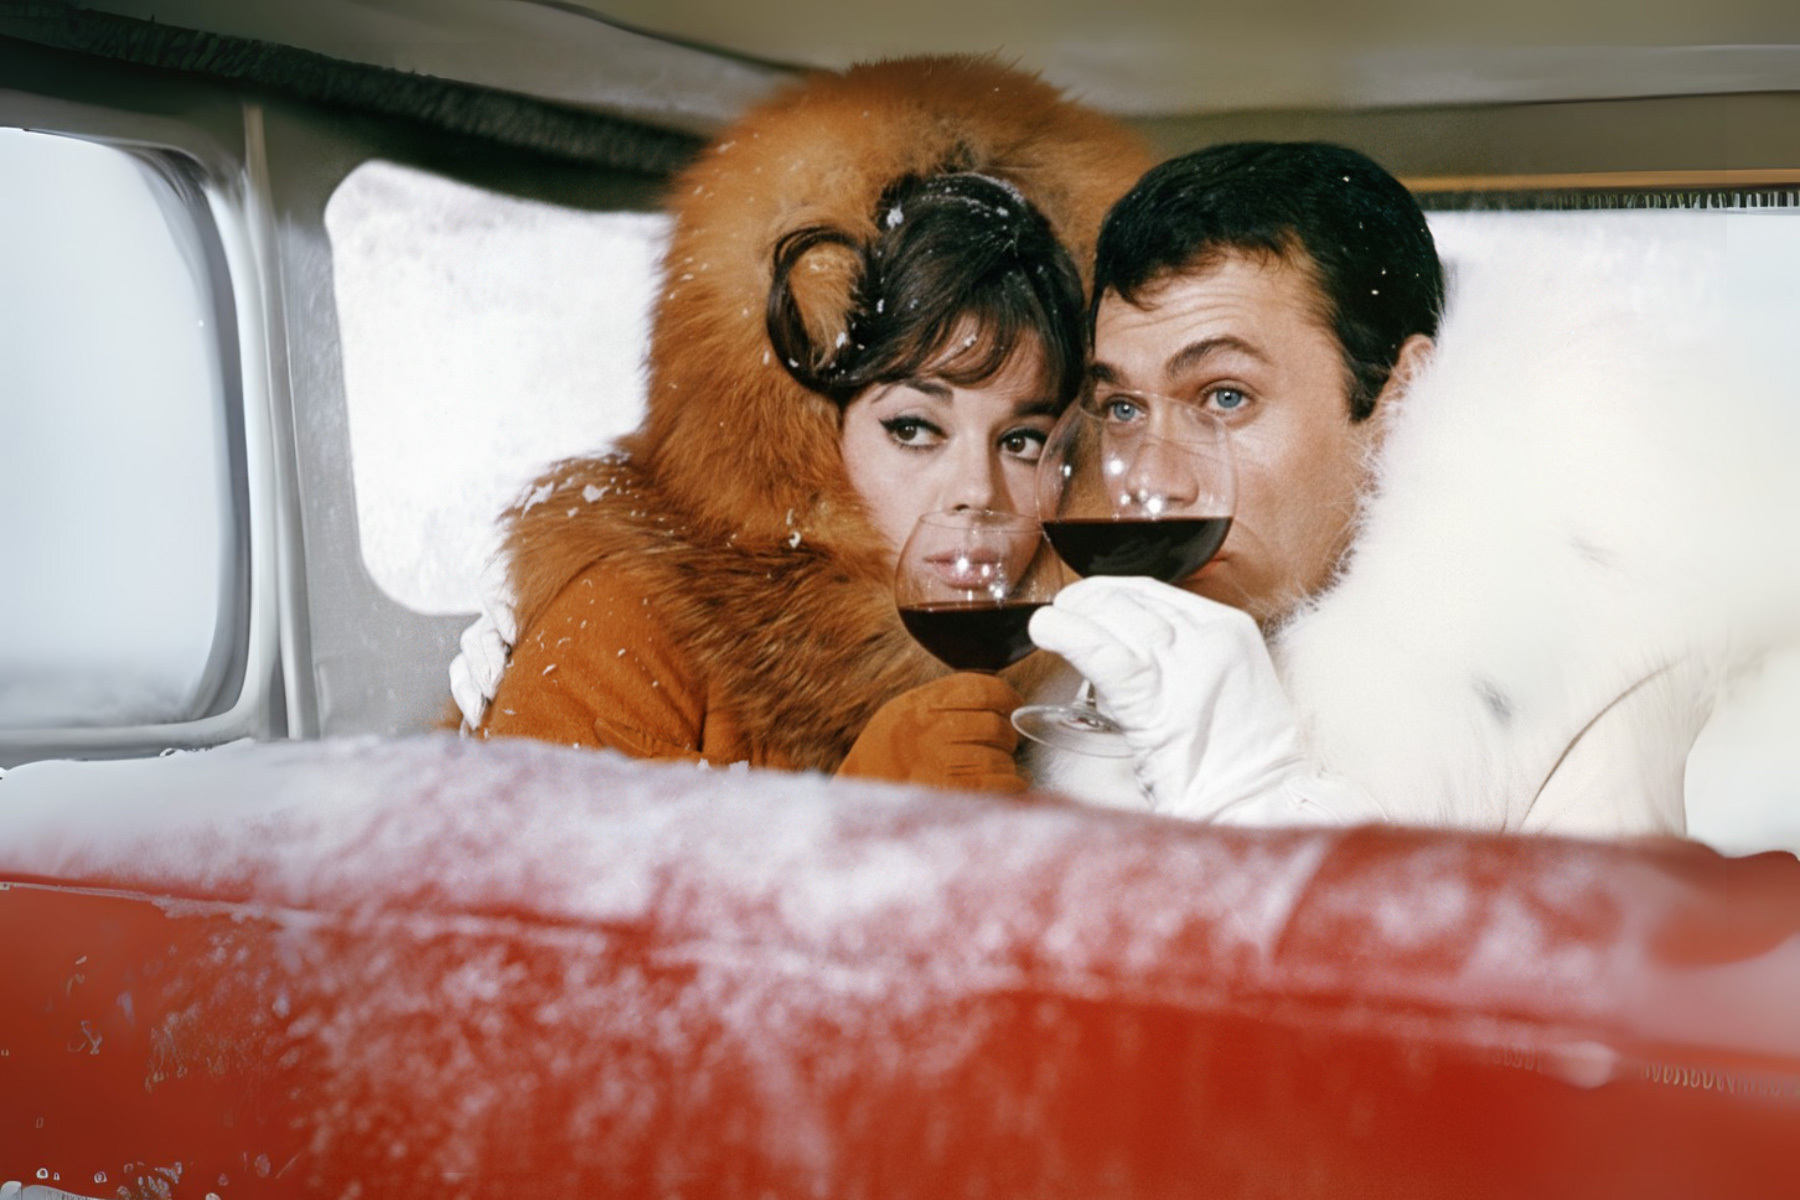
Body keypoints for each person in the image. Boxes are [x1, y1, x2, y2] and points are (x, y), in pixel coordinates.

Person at [453, 57, 1150, 791]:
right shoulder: (630, 600)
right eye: (914, 428)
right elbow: (524, 880)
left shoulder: (1097, 652)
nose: (978, 492)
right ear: (813, 433)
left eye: (1021, 440)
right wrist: (854, 810)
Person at [1028, 141, 1736, 837]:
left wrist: (1257, 798)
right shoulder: (1073, 691)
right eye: (1122, 409)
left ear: (1399, 397)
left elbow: (1574, 953)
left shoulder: (1602, 677)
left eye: (1224, 398)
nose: (1153, 479)